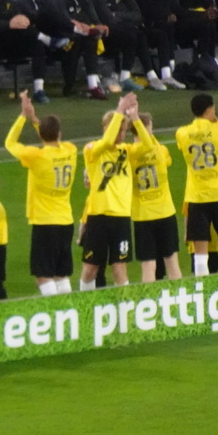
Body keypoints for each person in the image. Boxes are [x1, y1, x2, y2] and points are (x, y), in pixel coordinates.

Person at [5, 91, 77, 296]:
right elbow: (51, 137)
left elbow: (10, 143)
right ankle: (70, 310)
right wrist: (36, 120)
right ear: (60, 134)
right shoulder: (70, 150)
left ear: (41, 135)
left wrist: (23, 116)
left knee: (43, 274)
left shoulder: (35, 156)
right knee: (62, 273)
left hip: (45, 222)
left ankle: (55, 312)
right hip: (66, 220)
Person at [81, 92, 148, 288]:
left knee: (120, 269)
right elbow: (106, 142)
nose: (122, 134)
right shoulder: (92, 149)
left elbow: (149, 146)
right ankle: (86, 309)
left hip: (121, 217)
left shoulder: (126, 151)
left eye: (124, 130)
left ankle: (125, 313)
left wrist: (135, 118)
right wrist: (120, 110)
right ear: (106, 128)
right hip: (98, 216)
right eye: (118, 130)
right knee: (90, 269)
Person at [175, 93, 218, 276]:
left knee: (200, 253)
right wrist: (217, 121)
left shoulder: (182, 133)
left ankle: (203, 292)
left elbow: (182, 146)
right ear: (209, 109)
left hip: (196, 197)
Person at [92, 0, 167, 91]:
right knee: (134, 33)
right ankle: (134, 76)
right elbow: (107, 18)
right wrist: (125, 16)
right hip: (107, 35)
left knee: (139, 34)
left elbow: (137, 15)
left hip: (126, 31)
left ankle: (149, 76)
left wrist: (117, 14)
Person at [128, 111, 181, 282]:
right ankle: (179, 300)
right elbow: (167, 161)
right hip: (165, 212)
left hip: (142, 215)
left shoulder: (128, 154)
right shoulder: (161, 150)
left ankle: (149, 305)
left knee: (148, 265)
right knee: (172, 261)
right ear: (147, 129)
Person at [14, 0, 77, 104]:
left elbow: (57, 18)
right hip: (27, 42)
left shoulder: (45, 0)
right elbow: (24, 24)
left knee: (73, 40)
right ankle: (38, 90)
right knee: (37, 43)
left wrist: (75, 28)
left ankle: (71, 85)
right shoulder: (19, 1)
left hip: (49, 38)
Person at [124, 0, 187, 89]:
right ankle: (152, 76)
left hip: (155, 29)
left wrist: (171, 14)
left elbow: (169, 8)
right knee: (144, 34)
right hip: (137, 29)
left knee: (164, 32)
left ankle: (166, 75)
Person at [51, 0, 108, 99]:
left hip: (86, 36)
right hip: (65, 38)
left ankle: (93, 85)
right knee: (77, 39)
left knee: (90, 40)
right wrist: (85, 28)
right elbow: (65, 22)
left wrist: (100, 27)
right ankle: (69, 85)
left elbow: (94, 18)